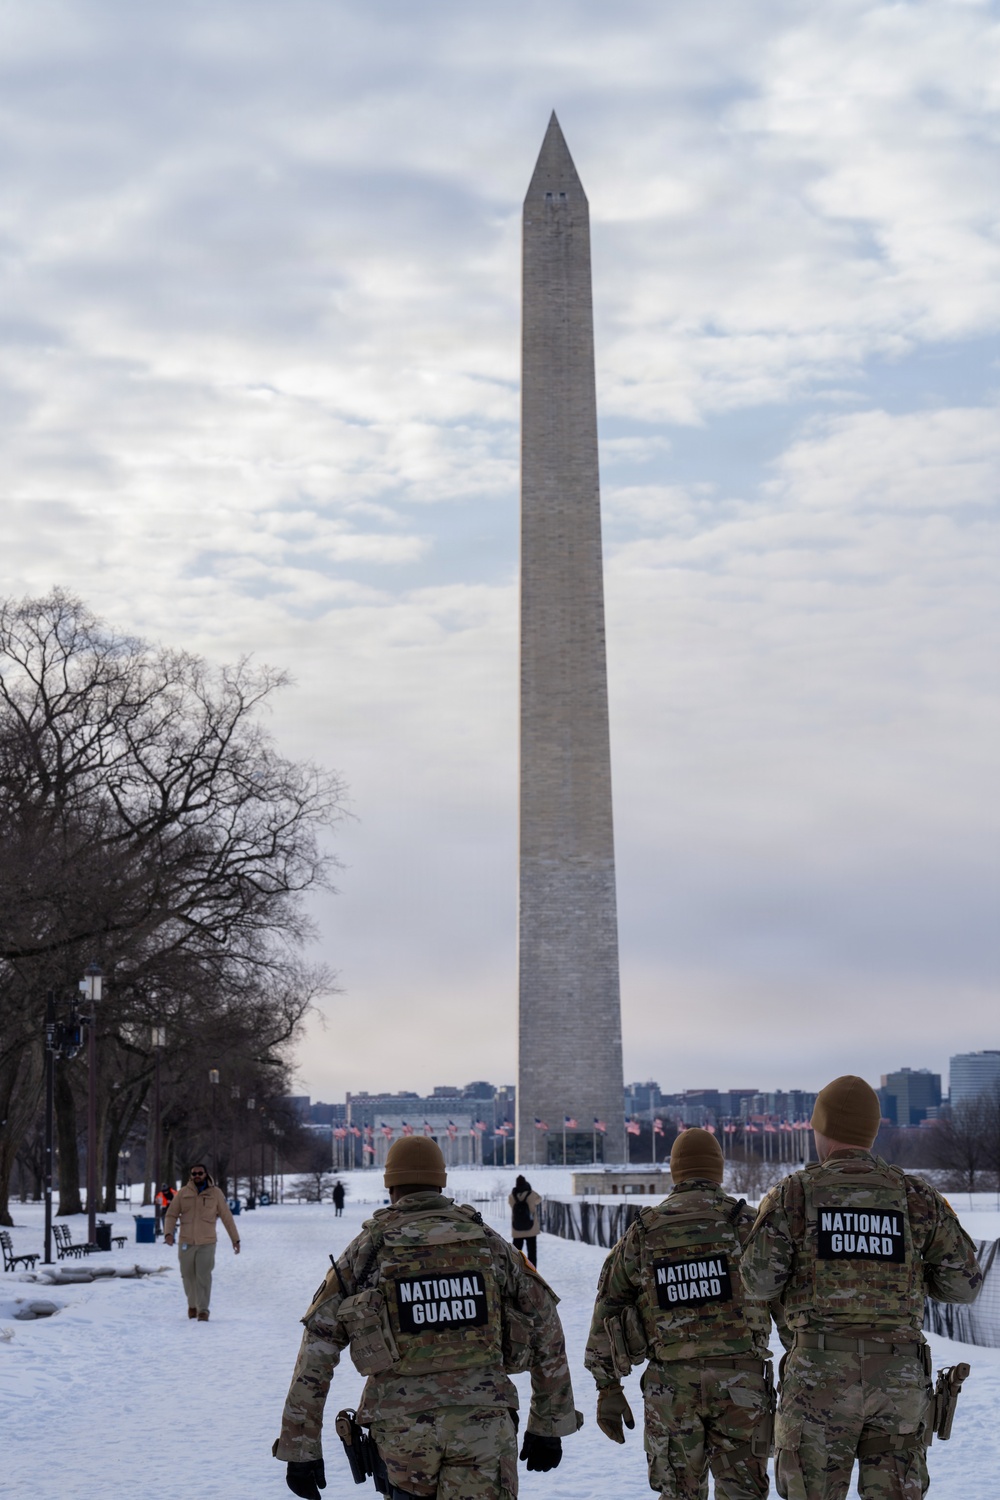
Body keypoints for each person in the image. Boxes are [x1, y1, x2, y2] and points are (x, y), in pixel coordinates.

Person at [273, 1135, 582, 1499]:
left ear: (390, 1185)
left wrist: (301, 1448)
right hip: (482, 1425)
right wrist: (548, 1423)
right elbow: (545, 1322)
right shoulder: (487, 1241)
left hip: (402, 1433)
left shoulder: (368, 1250)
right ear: (441, 1181)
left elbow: (318, 1346)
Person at [741, 1075, 983, 1500]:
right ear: (870, 1131)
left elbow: (758, 1282)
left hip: (818, 1377)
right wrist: (910, 1275)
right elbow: (964, 1285)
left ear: (823, 1128)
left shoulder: (794, 1194)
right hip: (898, 1380)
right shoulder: (917, 1196)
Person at [585, 1127, 776, 1500]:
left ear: (675, 1172)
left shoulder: (643, 1233)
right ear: (719, 1171)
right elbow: (787, 1301)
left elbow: (607, 1309)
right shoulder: (748, 1225)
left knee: (678, 1494)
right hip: (741, 1386)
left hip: (670, 1389)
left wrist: (607, 1387)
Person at [163, 1163, 241, 1321]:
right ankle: (192, 1305)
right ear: (190, 1176)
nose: (197, 1175)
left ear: (206, 1174)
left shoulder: (216, 1193)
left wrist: (235, 1239)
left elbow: (227, 1217)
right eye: (194, 1173)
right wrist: (168, 1233)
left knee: (203, 1276)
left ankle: (203, 1310)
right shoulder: (183, 1193)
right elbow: (171, 1214)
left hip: (207, 1242)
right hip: (186, 1242)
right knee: (187, 1276)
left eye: (200, 1173)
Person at [508, 1175, 542, 1267]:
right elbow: (539, 1199)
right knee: (532, 1252)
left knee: (516, 1252)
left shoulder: (512, 1196)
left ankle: (516, 1268)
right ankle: (533, 1270)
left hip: (517, 1228)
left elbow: (511, 1205)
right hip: (531, 1228)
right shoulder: (531, 1194)